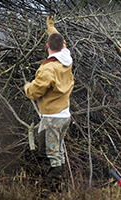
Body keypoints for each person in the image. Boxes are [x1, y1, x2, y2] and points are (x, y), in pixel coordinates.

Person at [24, 16, 74, 195]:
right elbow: (57, 37)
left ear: (47, 47)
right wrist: (50, 26)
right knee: (56, 150)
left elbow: (34, 92)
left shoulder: (48, 69)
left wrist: (26, 86)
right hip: (64, 115)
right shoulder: (66, 56)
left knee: (49, 153)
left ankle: (52, 189)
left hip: (52, 117)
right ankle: (59, 185)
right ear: (61, 46)